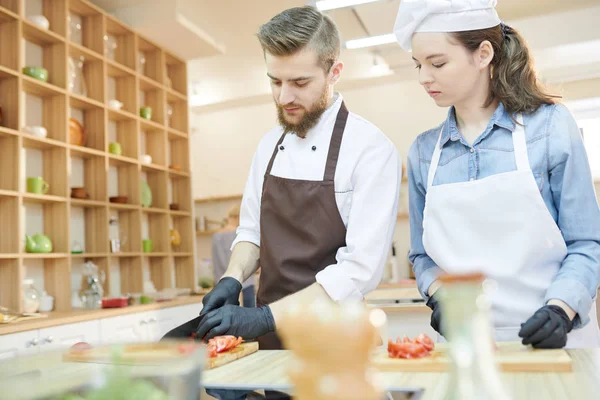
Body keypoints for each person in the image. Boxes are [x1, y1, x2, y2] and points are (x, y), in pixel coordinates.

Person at [164, 6, 401, 347]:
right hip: (270, 341)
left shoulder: (370, 149)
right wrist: (232, 277)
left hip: (339, 343)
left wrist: (264, 317)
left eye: (299, 82)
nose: (283, 97)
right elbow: (251, 232)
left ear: (334, 72)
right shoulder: (269, 145)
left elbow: (358, 271)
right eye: (275, 81)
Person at [395, 0, 600, 348]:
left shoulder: (550, 128)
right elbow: (421, 256)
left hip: (556, 342)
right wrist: (440, 295)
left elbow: (587, 242)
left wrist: (560, 309)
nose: (423, 77)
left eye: (437, 63)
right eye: (418, 64)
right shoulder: (424, 153)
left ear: (483, 54)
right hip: (467, 346)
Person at [211, 205, 256, 308]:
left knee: (228, 319)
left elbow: (217, 263)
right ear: (237, 217)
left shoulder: (216, 236)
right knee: (248, 319)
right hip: (245, 284)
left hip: (223, 285)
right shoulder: (242, 235)